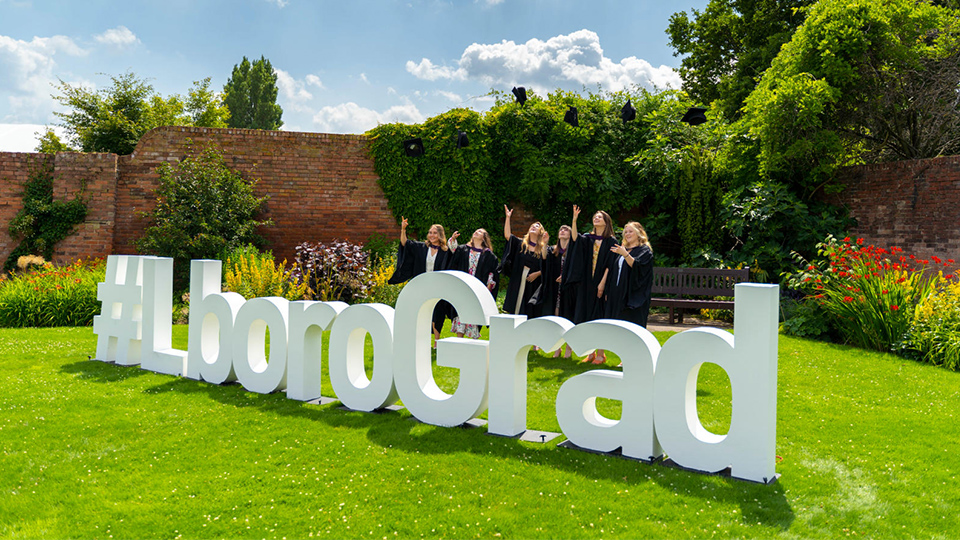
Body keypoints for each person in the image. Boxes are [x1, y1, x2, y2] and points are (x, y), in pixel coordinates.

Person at [387, 217, 453, 346]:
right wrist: (403, 229)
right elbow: (405, 243)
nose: (431, 235)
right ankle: (420, 340)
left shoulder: (446, 251)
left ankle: (436, 341)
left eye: (434, 233)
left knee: (437, 312)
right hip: (422, 285)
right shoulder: (421, 247)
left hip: (437, 286)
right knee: (421, 311)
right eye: (430, 232)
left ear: (440, 235)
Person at [569, 205, 617, 364]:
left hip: (601, 283)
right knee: (586, 317)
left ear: (606, 222)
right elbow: (574, 239)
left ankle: (601, 354)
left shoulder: (611, 241)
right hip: (586, 283)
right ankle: (590, 352)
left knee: (599, 317)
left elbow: (611, 265)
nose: (596, 219)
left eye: (599, 217)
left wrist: (602, 284)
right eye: (595, 217)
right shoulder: (588, 239)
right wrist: (574, 220)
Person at [447, 228, 499, 338]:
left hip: (477, 289)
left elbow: (492, 272)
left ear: (484, 238)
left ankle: (473, 341)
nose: (476, 232)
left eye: (480, 232)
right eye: (476, 231)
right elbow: (452, 252)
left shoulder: (488, 255)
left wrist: (489, 284)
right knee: (460, 311)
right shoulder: (463, 249)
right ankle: (459, 341)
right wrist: (453, 239)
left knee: (475, 311)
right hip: (463, 287)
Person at [605, 221, 654, 327]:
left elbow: (637, 267)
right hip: (618, 292)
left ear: (639, 233)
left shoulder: (644, 251)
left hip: (633, 294)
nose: (627, 234)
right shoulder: (623, 249)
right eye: (625, 232)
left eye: (630, 231)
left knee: (630, 325)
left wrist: (625, 254)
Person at [500, 205, 546, 317]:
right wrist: (508, 218)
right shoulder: (521, 244)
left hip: (532, 283)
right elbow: (507, 236)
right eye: (532, 226)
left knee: (529, 311)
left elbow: (547, 266)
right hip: (518, 278)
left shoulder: (543, 249)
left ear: (540, 232)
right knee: (515, 308)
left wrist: (538, 273)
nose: (533, 227)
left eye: (536, 226)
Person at [539, 224, 577, 358]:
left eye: (566, 230)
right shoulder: (552, 250)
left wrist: (566, 277)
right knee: (556, 317)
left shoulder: (574, 252)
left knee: (569, 317)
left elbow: (578, 269)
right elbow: (543, 259)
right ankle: (557, 347)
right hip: (555, 289)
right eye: (561, 229)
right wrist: (544, 243)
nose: (562, 231)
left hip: (569, 289)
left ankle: (569, 347)